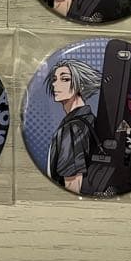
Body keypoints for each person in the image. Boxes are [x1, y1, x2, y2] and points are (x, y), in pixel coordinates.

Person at [45, 59, 102, 194]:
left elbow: (72, 184)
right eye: (54, 79)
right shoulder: (90, 119)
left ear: (80, 85)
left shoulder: (72, 128)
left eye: (65, 79)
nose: (55, 84)